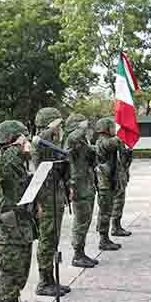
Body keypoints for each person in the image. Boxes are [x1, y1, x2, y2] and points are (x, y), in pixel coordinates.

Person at [0, 120, 38, 302]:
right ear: (11, 140)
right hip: (8, 224)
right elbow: (8, 163)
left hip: (22, 222)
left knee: (22, 267)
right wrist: (20, 148)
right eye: (22, 138)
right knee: (10, 268)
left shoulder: (18, 161)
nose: (26, 142)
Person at [31, 108, 70, 297]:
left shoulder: (51, 145)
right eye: (58, 125)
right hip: (46, 200)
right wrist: (51, 127)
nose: (60, 129)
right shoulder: (41, 143)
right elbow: (42, 136)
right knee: (47, 240)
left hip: (54, 197)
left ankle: (51, 280)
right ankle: (44, 282)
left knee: (52, 240)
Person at [63, 114, 101, 268]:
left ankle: (81, 252)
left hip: (86, 184)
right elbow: (73, 136)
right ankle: (77, 255)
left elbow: (91, 153)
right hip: (79, 186)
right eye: (84, 125)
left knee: (85, 221)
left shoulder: (81, 141)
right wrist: (81, 126)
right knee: (81, 221)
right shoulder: (72, 139)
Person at [95, 117, 124, 252]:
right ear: (106, 129)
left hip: (109, 182)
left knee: (107, 211)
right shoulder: (102, 141)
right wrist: (125, 132)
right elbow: (111, 144)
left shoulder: (109, 140)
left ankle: (105, 238)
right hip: (104, 184)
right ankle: (103, 239)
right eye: (112, 127)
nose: (114, 129)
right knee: (105, 213)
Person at [111, 139, 133, 237]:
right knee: (117, 203)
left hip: (121, 179)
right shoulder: (112, 145)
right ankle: (115, 227)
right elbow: (117, 163)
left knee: (120, 203)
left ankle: (117, 226)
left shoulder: (121, 146)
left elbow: (125, 165)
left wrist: (129, 156)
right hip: (116, 179)